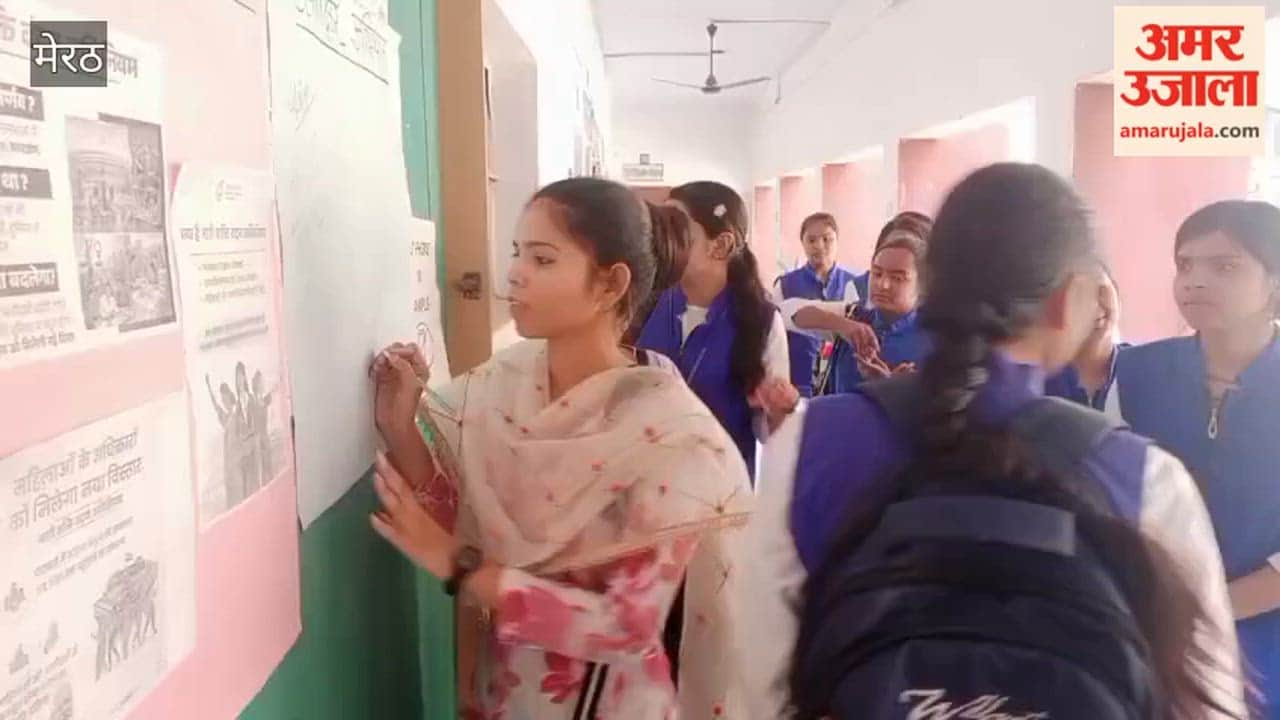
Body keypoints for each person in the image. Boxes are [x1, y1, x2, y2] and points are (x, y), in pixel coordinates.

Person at [734, 163, 1243, 719]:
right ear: (1065, 299)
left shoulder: (814, 443)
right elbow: (1210, 705)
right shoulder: (1142, 478)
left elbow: (757, 685)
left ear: (934, 282)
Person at [369, 177, 753, 720]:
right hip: (505, 693)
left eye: (543, 260)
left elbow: (627, 626)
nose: (516, 274)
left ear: (609, 284)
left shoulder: (669, 435)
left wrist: (458, 566)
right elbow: (466, 521)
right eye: (516, 253)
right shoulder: (500, 387)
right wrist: (399, 425)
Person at [1115, 199, 1280, 717]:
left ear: (1274, 281)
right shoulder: (1138, 373)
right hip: (1147, 630)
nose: (1195, 281)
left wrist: (1210, 614)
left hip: (1263, 643)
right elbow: (1110, 493)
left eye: (1224, 266)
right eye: (1185, 265)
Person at [635, 181, 793, 476]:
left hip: (717, 496)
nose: (662, 239)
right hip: (643, 486)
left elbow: (772, 434)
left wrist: (781, 413)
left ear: (721, 245)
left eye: (677, 228)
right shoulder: (645, 303)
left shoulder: (760, 322)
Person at [779, 213, 933, 394]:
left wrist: (889, 388)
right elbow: (788, 313)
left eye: (897, 277)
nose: (883, 285)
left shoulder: (935, 339)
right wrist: (841, 325)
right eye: (877, 273)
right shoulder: (857, 317)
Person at [774, 213, 862, 396]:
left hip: (840, 386)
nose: (819, 246)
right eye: (811, 240)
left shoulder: (854, 284)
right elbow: (774, 335)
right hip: (796, 385)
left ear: (837, 241)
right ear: (803, 243)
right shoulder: (785, 284)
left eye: (826, 239)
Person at [1046, 263, 1128, 417]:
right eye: (1078, 296)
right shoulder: (1039, 384)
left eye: (1101, 290)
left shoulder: (1148, 369)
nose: (1093, 306)